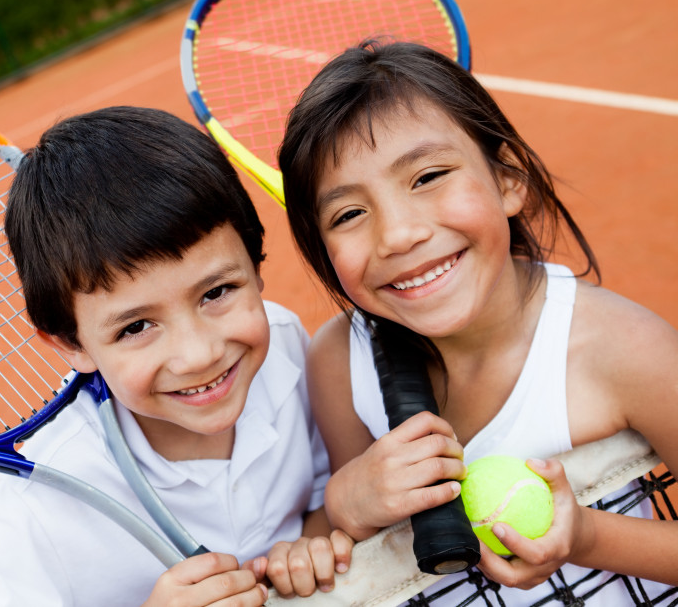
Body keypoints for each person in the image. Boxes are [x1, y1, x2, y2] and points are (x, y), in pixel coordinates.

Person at [276, 40, 678, 604]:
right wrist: (344, 505)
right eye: (348, 213)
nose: (397, 235)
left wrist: (587, 536)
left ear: (508, 179)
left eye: (427, 176)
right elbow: (356, 549)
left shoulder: (625, 350)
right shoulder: (339, 362)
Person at [0, 106, 351, 607]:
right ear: (72, 344)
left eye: (217, 292)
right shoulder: (48, 495)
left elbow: (321, 492)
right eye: (136, 327)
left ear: (256, 268)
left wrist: (309, 542)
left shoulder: (284, 345)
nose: (198, 354)